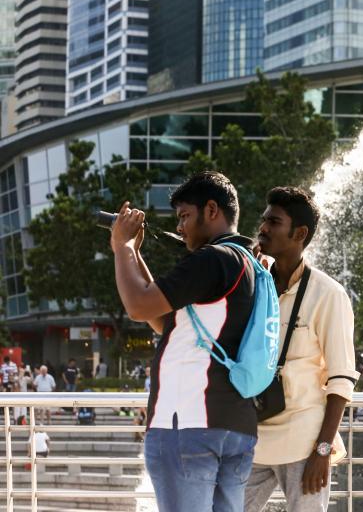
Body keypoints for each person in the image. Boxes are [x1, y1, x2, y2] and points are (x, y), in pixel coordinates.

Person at [110, 171, 262, 512]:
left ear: (212, 210)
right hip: (235, 427)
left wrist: (120, 247)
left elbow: (137, 306)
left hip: (188, 424)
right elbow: (165, 321)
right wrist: (134, 253)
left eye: (184, 216)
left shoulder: (213, 258)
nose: (180, 227)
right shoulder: (249, 262)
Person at [245, 187, 359, 512]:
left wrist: (323, 451)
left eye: (274, 222)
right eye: (264, 220)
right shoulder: (253, 285)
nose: (263, 228)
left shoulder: (328, 294)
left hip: (303, 440)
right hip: (252, 437)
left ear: (300, 233)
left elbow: (341, 380)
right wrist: (244, 283)